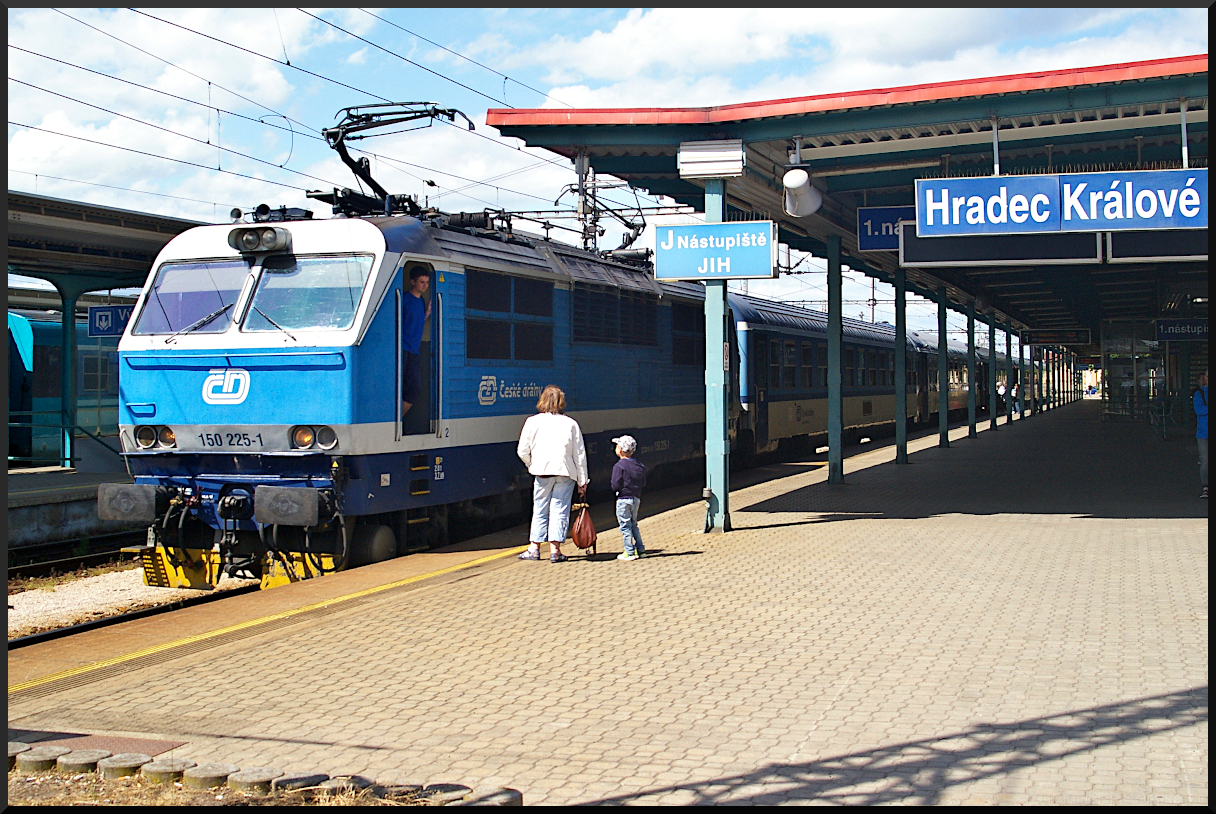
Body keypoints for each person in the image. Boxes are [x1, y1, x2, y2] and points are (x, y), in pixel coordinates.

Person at [516, 385, 589, 562]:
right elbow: (579, 455)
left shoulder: (532, 422)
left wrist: (531, 464)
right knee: (559, 510)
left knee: (540, 509)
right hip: (565, 473)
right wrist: (582, 480)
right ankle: (555, 551)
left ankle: (534, 548)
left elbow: (522, 451)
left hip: (542, 473)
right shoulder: (571, 424)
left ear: (542, 400)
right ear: (561, 402)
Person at [610, 435, 647, 561]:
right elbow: (643, 482)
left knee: (625, 526)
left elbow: (615, 484)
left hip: (623, 499)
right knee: (634, 524)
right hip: (636, 498)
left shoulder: (619, 466)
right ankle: (641, 550)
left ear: (620, 450)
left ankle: (629, 552)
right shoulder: (639, 465)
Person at [401, 267, 431, 419]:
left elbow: (416, 322)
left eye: (426, 282)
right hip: (403, 349)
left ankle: (398, 419)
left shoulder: (421, 302)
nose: (425, 285)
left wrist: (427, 315)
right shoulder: (404, 299)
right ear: (412, 282)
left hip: (414, 351)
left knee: (414, 389)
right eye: (421, 282)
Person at [1196, 370, 1208, 499]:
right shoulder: (1199, 394)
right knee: (1205, 461)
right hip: (1204, 433)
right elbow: (1198, 410)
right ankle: (1206, 487)